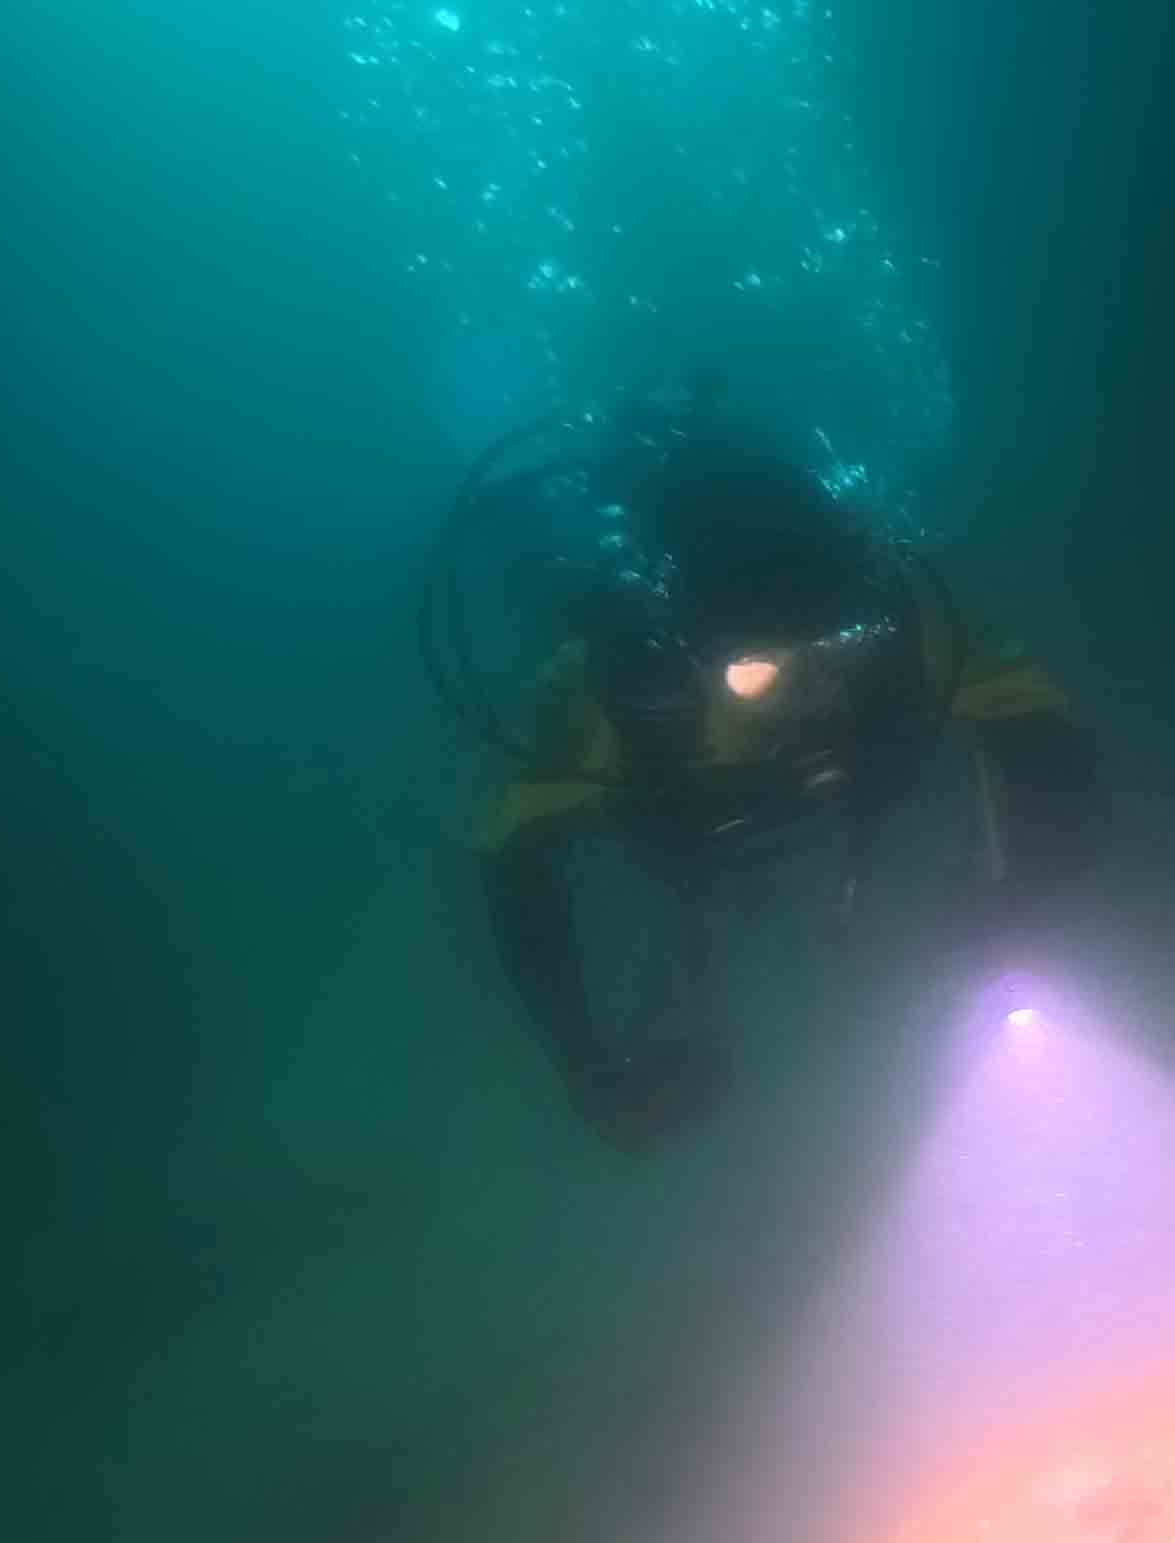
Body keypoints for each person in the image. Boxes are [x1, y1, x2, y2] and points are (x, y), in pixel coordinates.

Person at [469, 428, 1105, 1148]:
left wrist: (1016, 900)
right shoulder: (607, 685)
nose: (815, 695)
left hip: (782, 818)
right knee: (541, 589)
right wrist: (587, 1065)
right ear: (683, 651)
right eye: (759, 672)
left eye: (837, 652)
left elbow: (1046, 740)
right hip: (686, 832)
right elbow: (517, 867)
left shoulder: (911, 623)